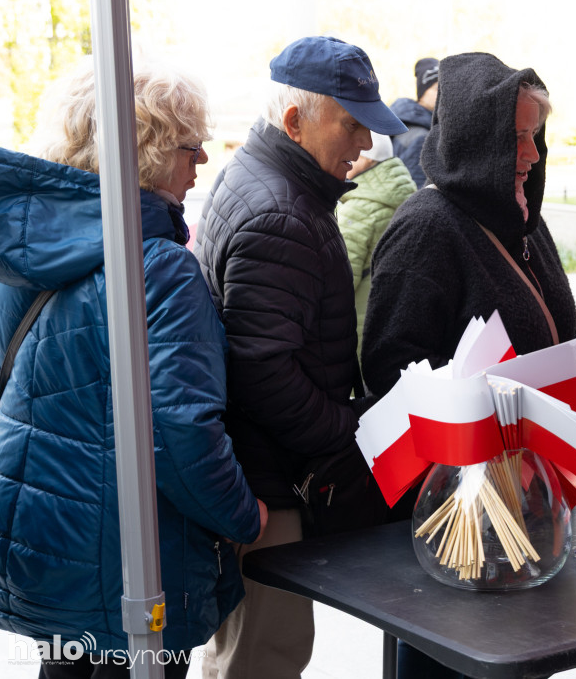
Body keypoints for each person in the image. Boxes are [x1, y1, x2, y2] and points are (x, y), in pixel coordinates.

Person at [0, 63, 266, 679]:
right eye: (187, 144)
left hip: (42, 541)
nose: (202, 160)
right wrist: (245, 517)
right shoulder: (159, 268)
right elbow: (182, 433)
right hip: (130, 559)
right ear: (140, 152)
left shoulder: (29, 250)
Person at [361, 51, 576, 677]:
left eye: (535, 135)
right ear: (477, 140)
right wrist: (481, 409)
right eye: (517, 137)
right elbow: (389, 368)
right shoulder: (426, 228)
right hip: (459, 512)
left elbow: (563, 327)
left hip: (532, 502)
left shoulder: (525, 222)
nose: (532, 153)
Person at [193, 36, 407, 678]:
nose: (364, 146)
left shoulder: (262, 179)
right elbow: (264, 373)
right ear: (294, 121)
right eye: (352, 125)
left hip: (259, 475)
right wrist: (351, 431)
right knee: (265, 655)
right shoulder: (281, 213)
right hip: (267, 487)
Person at [337, 131, 417, 357]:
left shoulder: (360, 208)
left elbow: (341, 280)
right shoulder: (405, 195)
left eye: (352, 155)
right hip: (394, 318)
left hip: (360, 325)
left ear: (367, 159)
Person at [388, 56, 439, 188]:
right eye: (436, 88)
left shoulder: (411, 122)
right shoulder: (420, 136)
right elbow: (417, 188)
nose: (442, 93)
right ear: (422, 92)